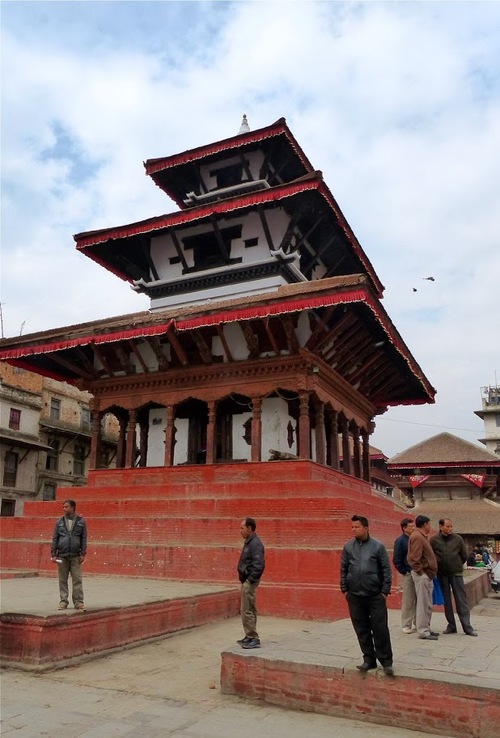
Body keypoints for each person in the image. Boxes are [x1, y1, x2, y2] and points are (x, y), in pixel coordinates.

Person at [340, 515, 394, 676]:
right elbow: (343, 569)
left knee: (380, 629)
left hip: (375, 595)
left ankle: (386, 661)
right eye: (352, 527)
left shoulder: (378, 547)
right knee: (361, 629)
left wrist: (384, 591)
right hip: (355, 596)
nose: (353, 529)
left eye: (356, 527)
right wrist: (345, 589)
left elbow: (386, 570)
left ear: (366, 528)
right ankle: (369, 658)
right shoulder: (348, 547)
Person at [430, 518, 478, 637]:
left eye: (451, 526)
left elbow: (464, 556)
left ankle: (467, 627)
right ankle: (451, 625)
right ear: (441, 527)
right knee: (447, 601)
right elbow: (431, 555)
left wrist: (455, 565)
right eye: (447, 526)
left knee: (461, 600)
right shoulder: (434, 540)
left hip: (456, 573)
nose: (450, 529)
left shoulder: (458, 539)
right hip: (442, 574)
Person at [50, 499, 87, 611]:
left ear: (73, 507)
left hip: (75, 556)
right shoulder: (59, 522)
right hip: (62, 555)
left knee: (77, 579)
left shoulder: (81, 521)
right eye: (63, 507)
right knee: (62, 579)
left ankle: (79, 602)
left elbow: (84, 538)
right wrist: (53, 554)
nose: (64, 509)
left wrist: (83, 553)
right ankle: (63, 601)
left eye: (66, 507)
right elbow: (55, 538)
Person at [407, 515, 438, 640]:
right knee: (422, 603)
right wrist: (421, 572)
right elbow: (414, 558)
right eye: (429, 524)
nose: (430, 527)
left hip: (428, 574)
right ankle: (423, 630)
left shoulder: (422, 536)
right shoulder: (417, 537)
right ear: (425, 524)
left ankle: (427, 627)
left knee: (428, 603)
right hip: (422, 574)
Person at [237, 517, 265, 649]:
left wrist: (250, 580)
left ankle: (253, 637)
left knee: (247, 609)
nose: (240, 531)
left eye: (242, 528)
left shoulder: (255, 544)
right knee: (249, 608)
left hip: (250, 581)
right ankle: (249, 636)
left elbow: (259, 565)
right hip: (247, 580)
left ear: (249, 528)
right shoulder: (250, 542)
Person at [393, 517, 417, 634]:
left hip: (418, 572)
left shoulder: (415, 539)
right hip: (408, 573)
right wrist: (404, 571)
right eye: (411, 526)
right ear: (404, 528)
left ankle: (418, 621)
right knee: (408, 599)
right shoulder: (400, 541)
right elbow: (397, 559)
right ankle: (406, 624)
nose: (413, 528)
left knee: (419, 599)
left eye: (414, 526)